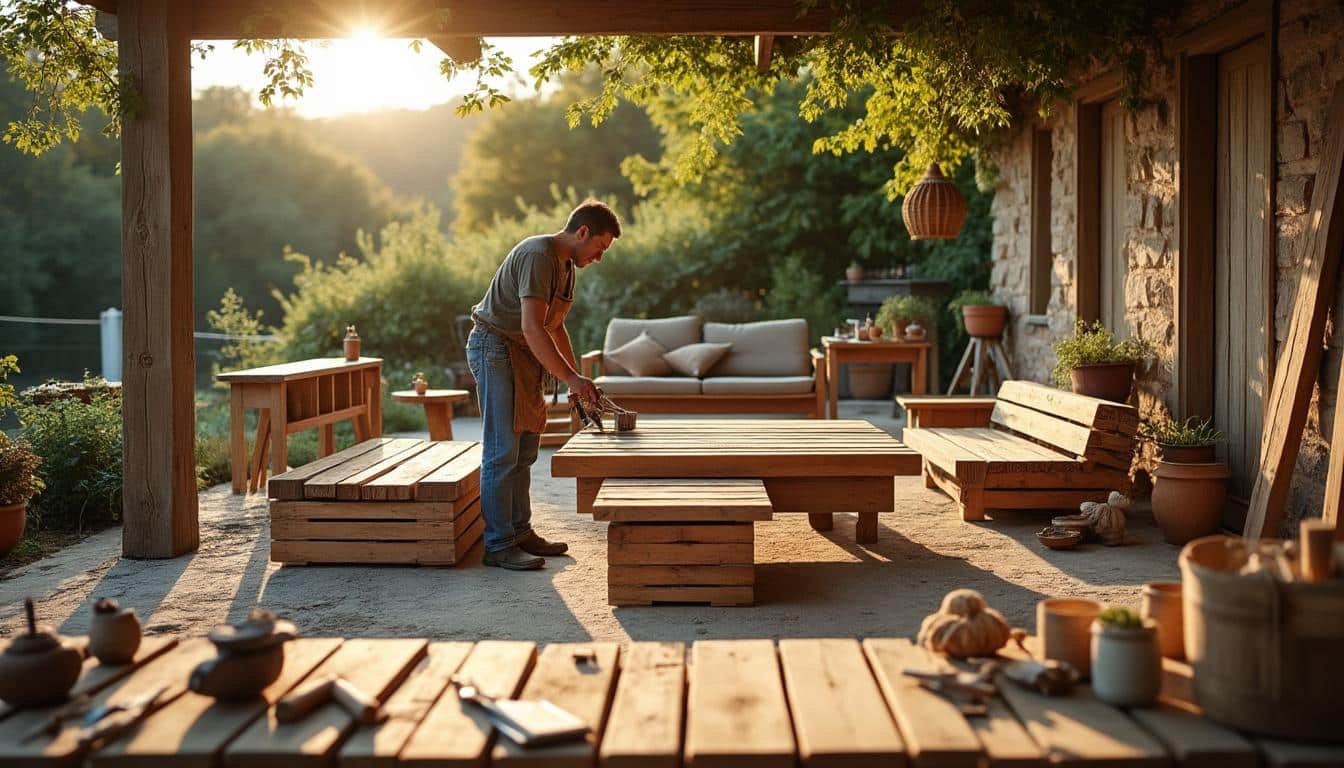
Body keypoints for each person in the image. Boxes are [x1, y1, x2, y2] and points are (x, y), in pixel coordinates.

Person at [466, 200, 618, 570]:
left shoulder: (566, 267)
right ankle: (498, 545)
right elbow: (532, 327)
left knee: (525, 451)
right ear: (582, 232)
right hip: (495, 348)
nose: (599, 258)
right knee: (502, 451)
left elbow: (555, 326)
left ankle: (520, 532)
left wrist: (576, 380)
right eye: (599, 248)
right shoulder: (538, 255)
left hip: (523, 354)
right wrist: (570, 378)